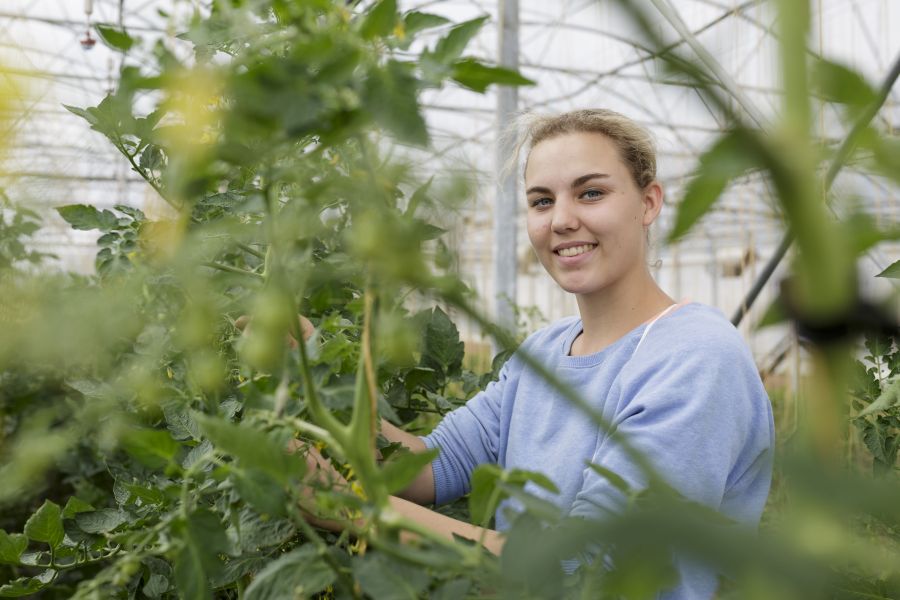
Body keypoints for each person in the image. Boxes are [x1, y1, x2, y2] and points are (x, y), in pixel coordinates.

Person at [293, 109, 775, 599]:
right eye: (542, 201)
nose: (563, 220)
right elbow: (434, 466)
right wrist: (312, 376)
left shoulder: (695, 358)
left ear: (648, 203)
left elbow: (583, 567)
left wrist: (353, 510)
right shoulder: (543, 353)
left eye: (591, 192)